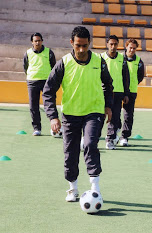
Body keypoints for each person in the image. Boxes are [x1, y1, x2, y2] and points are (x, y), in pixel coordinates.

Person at [42, 26, 113, 202]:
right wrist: (53, 116)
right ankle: (72, 188)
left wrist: (108, 106)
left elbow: (108, 85)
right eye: (78, 45)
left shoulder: (99, 61)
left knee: (90, 144)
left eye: (85, 46)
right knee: (71, 152)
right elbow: (48, 91)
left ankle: (95, 188)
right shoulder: (63, 63)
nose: (81, 50)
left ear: (90, 44)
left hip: (94, 112)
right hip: (70, 114)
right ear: (71, 43)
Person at [23, 32, 56, 136]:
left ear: (42, 41)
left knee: (50, 104)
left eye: (39, 40)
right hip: (32, 82)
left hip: (47, 82)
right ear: (32, 42)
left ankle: (55, 127)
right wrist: (30, 76)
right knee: (34, 106)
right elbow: (25, 66)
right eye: (35, 41)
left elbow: (54, 66)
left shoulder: (49, 52)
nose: (37, 42)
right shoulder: (28, 53)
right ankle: (37, 128)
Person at [101, 35, 130, 150]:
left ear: (118, 45)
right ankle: (92, 138)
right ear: (107, 44)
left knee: (114, 117)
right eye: (111, 44)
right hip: (103, 91)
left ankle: (110, 139)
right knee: (100, 116)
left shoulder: (122, 59)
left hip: (118, 92)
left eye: (115, 44)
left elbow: (125, 77)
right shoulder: (101, 57)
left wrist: (126, 93)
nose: (113, 47)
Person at [119, 39, 144, 146]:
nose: (132, 50)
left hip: (131, 92)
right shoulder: (119, 58)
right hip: (118, 89)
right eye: (130, 47)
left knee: (128, 115)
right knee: (114, 114)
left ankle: (124, 137)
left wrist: (131, 85)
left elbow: (140, 76)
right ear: (126, 47)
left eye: (134, 48)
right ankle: (112, 134)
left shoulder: (139, 61)